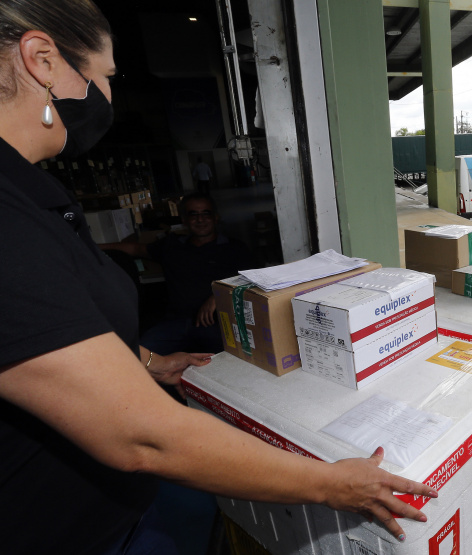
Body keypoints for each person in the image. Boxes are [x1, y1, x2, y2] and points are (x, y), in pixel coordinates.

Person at [0, 2, 436, 554]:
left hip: (112, 512)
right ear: (41, 60)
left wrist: (149, 363)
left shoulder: (32, 193)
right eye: (107, 77)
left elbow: (47, 328)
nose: (107, 97)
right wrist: (333, 483)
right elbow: (143, 436)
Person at [102, 192, 256, 355]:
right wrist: (85, 246)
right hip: (175, 323)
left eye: (206, 213)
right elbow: (135, 248)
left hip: (217, 324)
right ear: (184, 220)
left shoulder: (235, 248)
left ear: (216, 217)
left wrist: (220, 294)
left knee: (236, 359)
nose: (200, 219)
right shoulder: (172, 246)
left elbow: (252, 280)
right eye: (193, 214)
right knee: (139, 356)